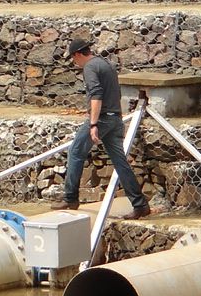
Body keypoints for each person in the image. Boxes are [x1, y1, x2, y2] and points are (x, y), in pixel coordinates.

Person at [60, 38, 151, 218]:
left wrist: (93, 124)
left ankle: (70, 197)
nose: (74, 63)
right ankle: (140, 204)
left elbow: (96, 94)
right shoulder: (105, 64)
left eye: (73, 58)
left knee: (76, 152)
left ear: (78, 54)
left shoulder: (90, 67)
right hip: (116, 118)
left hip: (102, 119)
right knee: (120, 162)